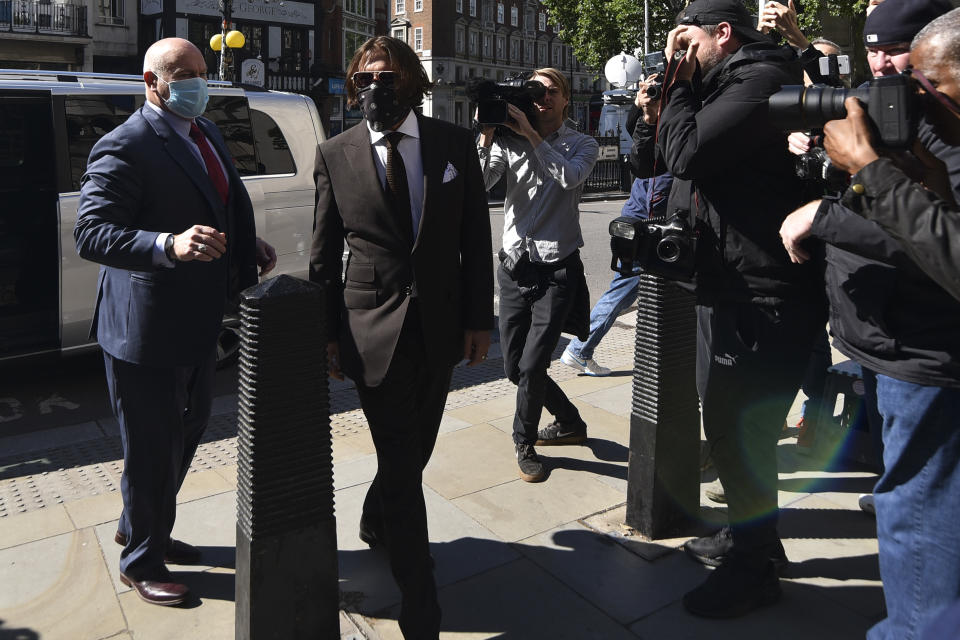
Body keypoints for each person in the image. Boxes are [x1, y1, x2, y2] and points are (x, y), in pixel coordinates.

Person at [631, 0, 827, 618]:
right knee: (732, 424)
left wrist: (681, 90)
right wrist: (657, 108)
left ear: (723, 34)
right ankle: (750, 534)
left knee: (739, 428)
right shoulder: (722, 85)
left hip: (762, 290)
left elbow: (689, 154)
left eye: (685, 40)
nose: (675, 52)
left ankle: (755, 567)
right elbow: (660, 165)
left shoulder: (761, 80)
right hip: (728, 280)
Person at [74, 37, 277, 606]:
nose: (197, 83)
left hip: (198, 320)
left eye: (202, 72)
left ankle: (142, 527)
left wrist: (244, 243)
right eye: (183, 73)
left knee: (185, 433)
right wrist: (168, 243)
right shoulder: (125, 145)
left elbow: (221, 201)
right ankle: (140, 562)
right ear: (151, 82)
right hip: (144, 330)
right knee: (151, 447)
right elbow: (91, 232)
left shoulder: (205, 132)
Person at [310, 36, 493, 639]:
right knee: (398, 454)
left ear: (413, 81)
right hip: (370, 328)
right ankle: (421, 601)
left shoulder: (452, 145)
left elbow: (474, 240)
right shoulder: (335, 153)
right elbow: (323, 254)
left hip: (439, 328)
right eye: (363, 80)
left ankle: (377, 520)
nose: (373, 89)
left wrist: (478, 321)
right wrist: (327, 335)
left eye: (386, 78)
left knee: (416, 451)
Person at [812, 9, 960, 638]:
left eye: (930, 88)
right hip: (897, 347)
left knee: (919, 522)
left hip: (926, 357)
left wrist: (873, 174)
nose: (916, 101)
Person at [477, 67, 598, 483]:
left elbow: (569, 177)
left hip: (557, 271)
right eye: (536, 90)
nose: (542, 96)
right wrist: (488, 136)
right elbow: (478, 184)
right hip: (513, 268)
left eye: (552, 90)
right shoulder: (507, 141)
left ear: (567, 99)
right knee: (514, 368)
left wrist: (531, 134)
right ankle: (569, 421)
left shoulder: (583, 143)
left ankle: (523, 441)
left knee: (532, 366)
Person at [561, 77, 673, 377]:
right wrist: (643, 104)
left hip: (639, 220)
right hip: (648, 224)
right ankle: (579, 349)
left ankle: (582, 349)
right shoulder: (661, 131)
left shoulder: (654, 129)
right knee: (624, 289)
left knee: (640, 290)